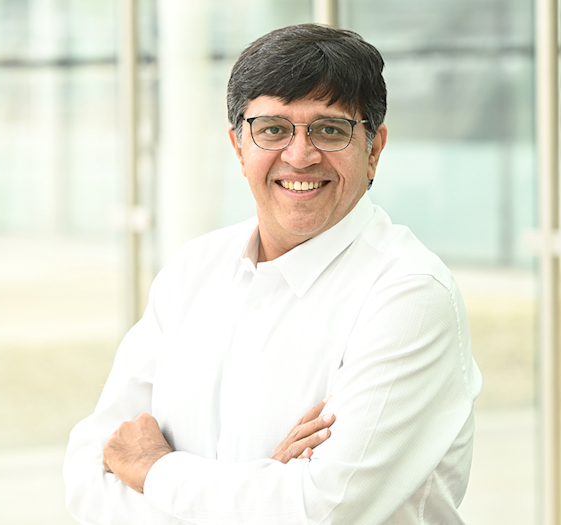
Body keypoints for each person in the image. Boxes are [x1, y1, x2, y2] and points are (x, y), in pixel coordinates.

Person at [64, 23, 482, 524]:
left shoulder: (408, 296)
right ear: (239, 147)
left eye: (330, 129)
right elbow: (91, 470)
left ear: (373, 149)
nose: (300, 155)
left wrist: (154, 470)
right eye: (272, 128)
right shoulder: (194, 270)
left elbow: (320, 510)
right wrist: (265, 486)